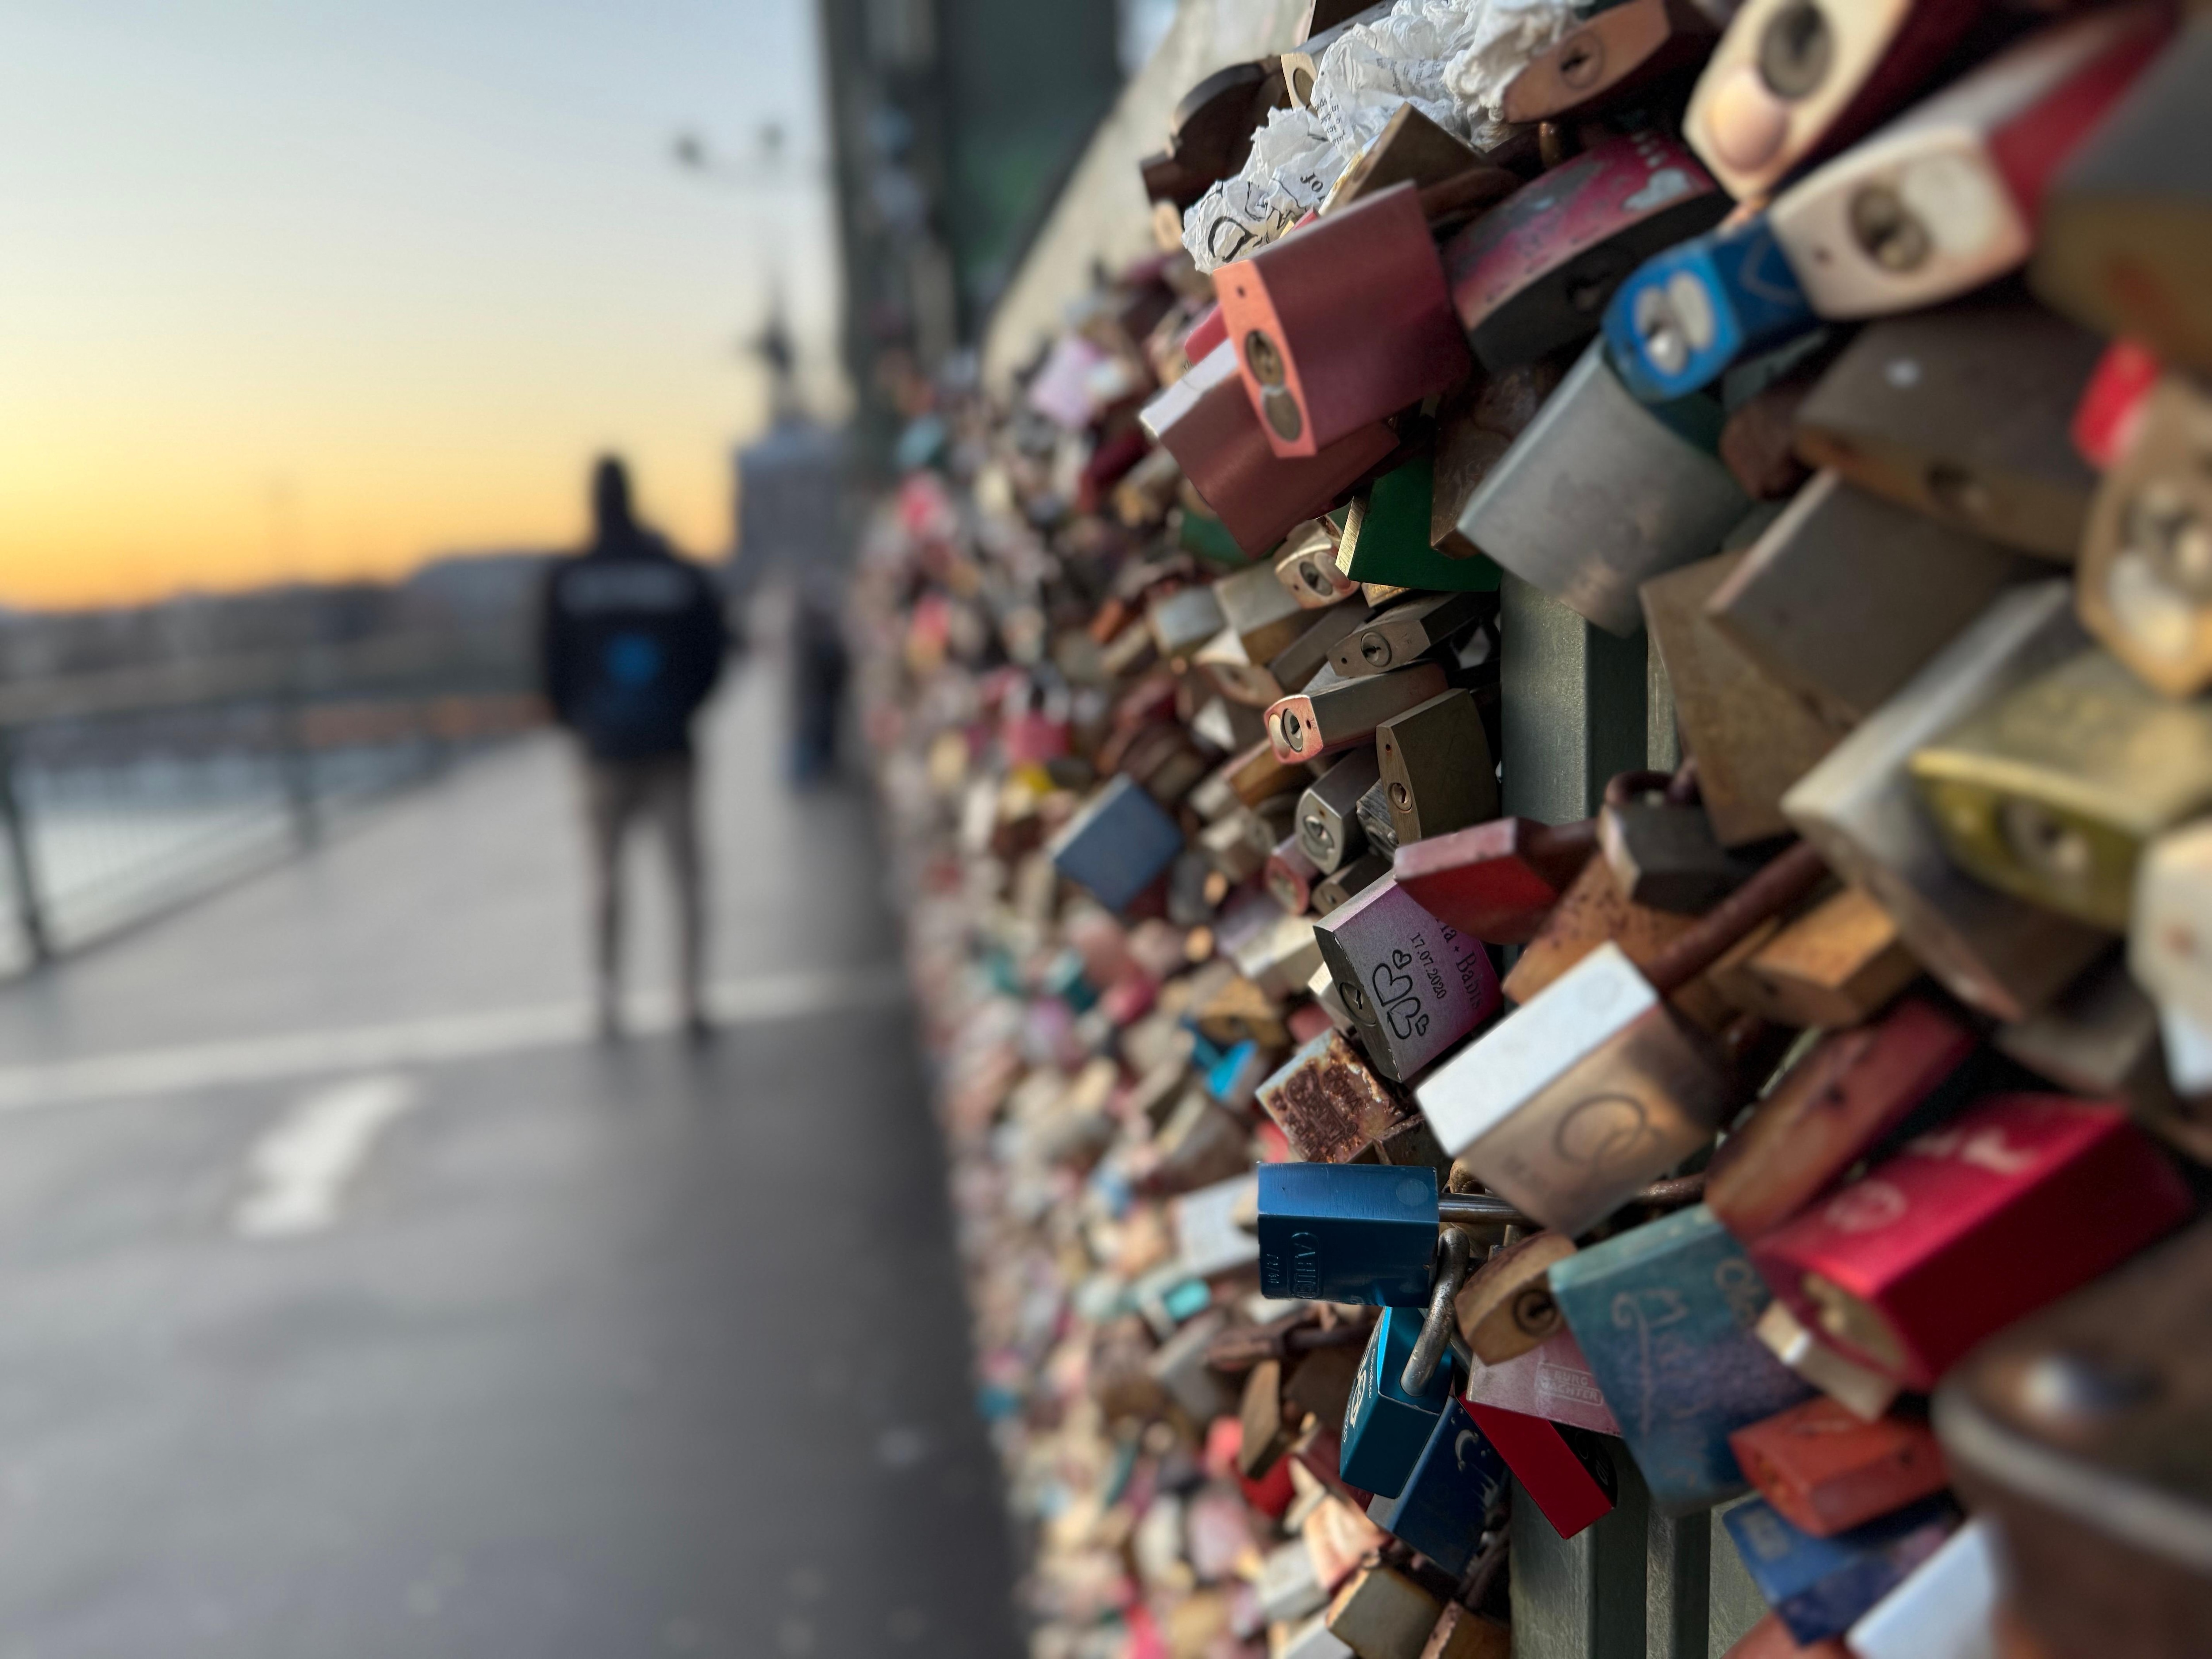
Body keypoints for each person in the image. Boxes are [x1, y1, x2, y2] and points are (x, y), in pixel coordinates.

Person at [540, 457, 728, 1040]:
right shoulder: (675, 569)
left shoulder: (569, 576)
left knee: (605, 881)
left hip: (603, 752)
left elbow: (550, 666)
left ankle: (607, 997)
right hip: (671, 745)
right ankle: (690, 997)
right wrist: (683, 707)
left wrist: (582, 721)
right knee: (687, 878)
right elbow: (714, 648)